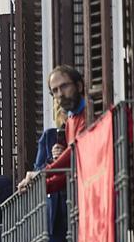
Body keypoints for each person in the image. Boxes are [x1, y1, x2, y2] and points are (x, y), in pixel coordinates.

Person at [17, 65, 89, 196]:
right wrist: (40, 185)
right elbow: (72, 169)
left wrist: (43, 173)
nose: (60, 94)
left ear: (79, 86)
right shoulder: (70, 122)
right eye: (55, 90)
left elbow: (75, 151)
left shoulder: (90, 113)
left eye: (64, 86)